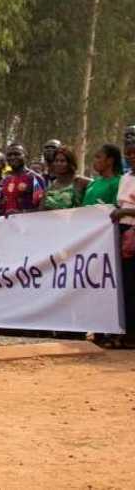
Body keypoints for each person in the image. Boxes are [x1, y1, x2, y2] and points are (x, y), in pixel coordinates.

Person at [108, 140, 135, 348]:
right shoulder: (125, 178)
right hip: (123, 232)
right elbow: (120, 203)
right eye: (128, 154)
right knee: (125, 285)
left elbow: (125, 209)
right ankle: (125, 332)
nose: (132, 157)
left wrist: (124, 212)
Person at [0, 144, 44, 215]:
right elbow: (3, 207)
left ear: (25, 156)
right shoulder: (5, 179)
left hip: (27, 224)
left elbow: (42, 208)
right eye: (9, 155)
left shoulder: (35, 178)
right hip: (6, 224)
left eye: (17, 154)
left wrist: (21, 213)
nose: (12, 157)